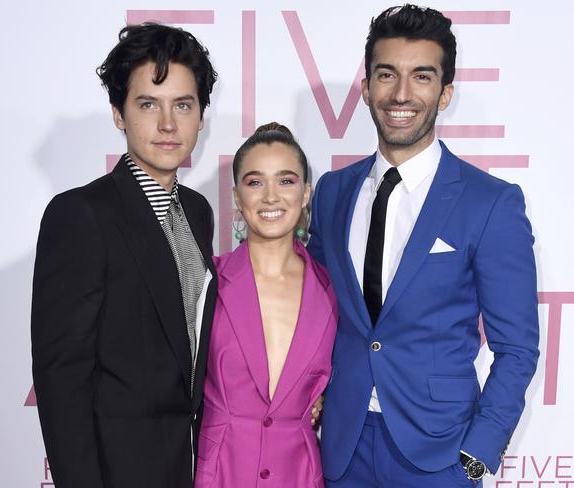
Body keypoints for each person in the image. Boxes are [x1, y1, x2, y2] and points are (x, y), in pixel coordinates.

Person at [308, 5, 540, 487]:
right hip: (342, 444)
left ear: (445, 91)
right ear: (367, 86)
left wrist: (477, 453)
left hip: (438, 455)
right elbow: (313, 310)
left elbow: (516, 347)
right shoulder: (333, 191)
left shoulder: (490, 203)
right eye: (386, 74)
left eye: (422, 76)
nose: (401, 94)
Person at [31, 23, 217, 488]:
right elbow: (61, 381)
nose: (168, 124)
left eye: (183, 105)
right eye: (148, 104)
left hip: (190, 467)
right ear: (118, 114)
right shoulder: (80, 215)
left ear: (200, 116)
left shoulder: (197, 213)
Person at [194, 123, 337, 488]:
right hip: (219, 471)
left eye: (286, 181)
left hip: (300, 473)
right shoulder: (206, 280)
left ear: (306, 194)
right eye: (255, 182)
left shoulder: (333, 289)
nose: (271, 197)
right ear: (237, 196)